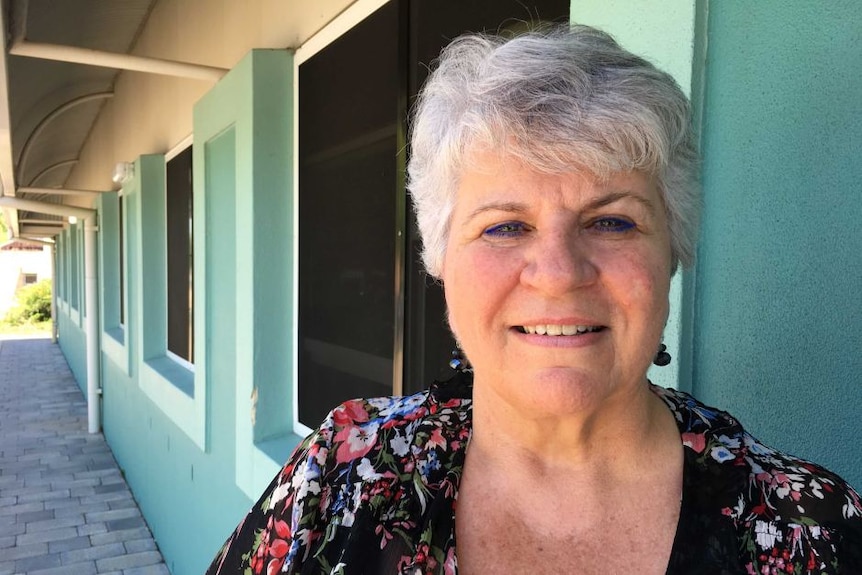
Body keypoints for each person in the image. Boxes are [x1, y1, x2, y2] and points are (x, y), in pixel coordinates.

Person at [206, 24, 862, 575]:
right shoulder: (334, 483)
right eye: (504, 226)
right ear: (440, 257)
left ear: (674, 250)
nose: (557, 272)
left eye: (612, 220)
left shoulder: (816, 532)